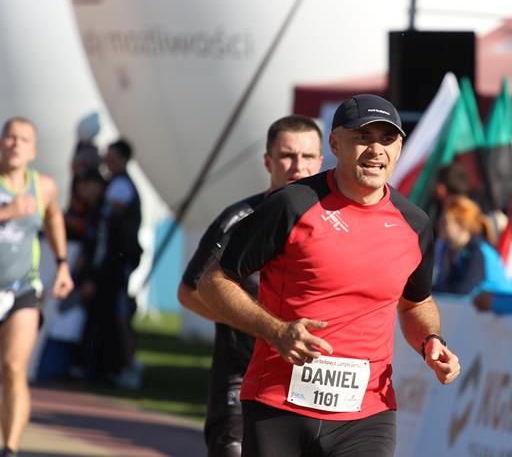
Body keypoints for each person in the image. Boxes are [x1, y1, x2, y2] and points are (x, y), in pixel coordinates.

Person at [197, 94, 460, 457]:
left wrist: (430, 339)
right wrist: (276, 331)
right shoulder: (292, 204)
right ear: (335, 144)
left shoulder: (414, 225)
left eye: (387, 139)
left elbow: (417, 302)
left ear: (399, 147)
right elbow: (212, 282)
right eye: (362, 137)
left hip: (367, 414)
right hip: (278, 406)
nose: (376, 150)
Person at [178, 116, 324, 457]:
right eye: (287, 156)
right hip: (241, 372)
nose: (297, 166)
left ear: (320, 161)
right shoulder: (239, 219)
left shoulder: (337, 222)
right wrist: (258, 326)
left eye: (307, 157)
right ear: (268, 161)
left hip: (310, 378)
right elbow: (188, 292)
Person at [0, 117, 74, 457]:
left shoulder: (43, 186)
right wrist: (8, 212)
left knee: (14, 367)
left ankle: (10, 449)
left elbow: (54, 216)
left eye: (23, 139)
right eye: (10, 137)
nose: (16, 144)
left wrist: (62, 264)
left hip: (22, 289)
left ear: (33, 150)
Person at [82, 139, 143, 387]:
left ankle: (126, 365)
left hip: (117, 263)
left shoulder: (120, 186)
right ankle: (109, 366)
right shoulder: (115, 185)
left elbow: (113, 226)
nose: (107, 162)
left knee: (118, 315)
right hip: (111, 262)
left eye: (112, 157)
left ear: (123, 159)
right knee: (110, 315)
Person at [433, 195, 512, 296]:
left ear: (462, 225)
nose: (439, 225)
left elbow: (463, 291)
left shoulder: (479, 252)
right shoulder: (456, 251)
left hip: (507, 303)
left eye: (445, 222)